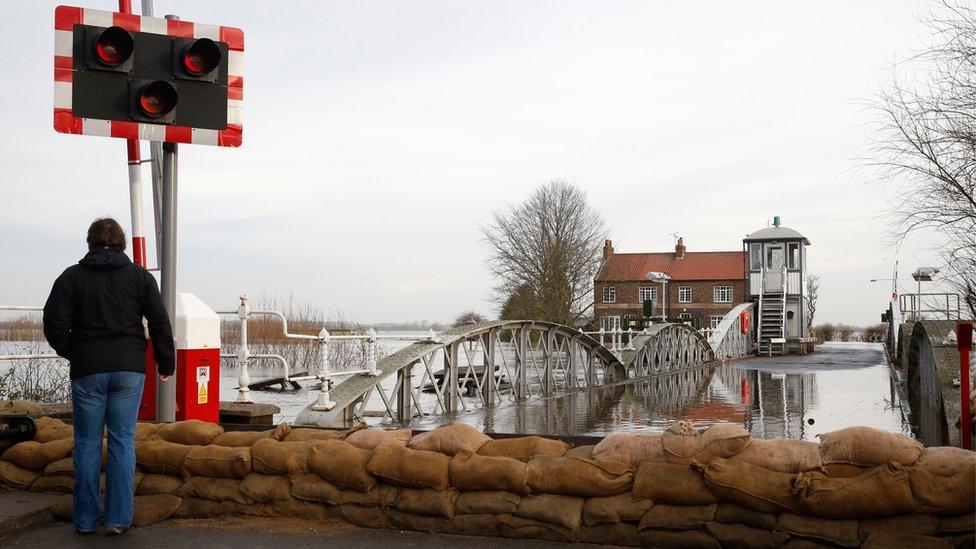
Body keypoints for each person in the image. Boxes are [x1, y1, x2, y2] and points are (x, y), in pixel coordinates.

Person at [43, 218, 174, 536]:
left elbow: (53, 322)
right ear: (122, 243)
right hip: (129, 370)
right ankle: (118, 518)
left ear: (89, 242)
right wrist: (165, 363)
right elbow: (159, 321)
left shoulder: (71, 277)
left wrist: (73, 351)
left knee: (86, 443)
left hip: (88, 370)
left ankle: (85, 521)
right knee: (122, 441)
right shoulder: (140, 277)